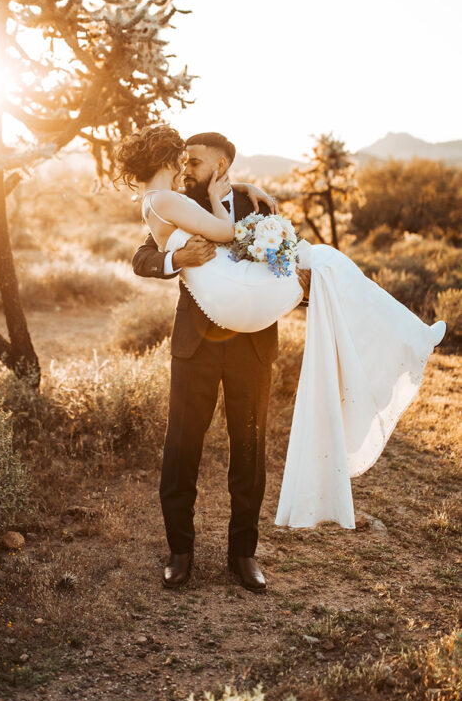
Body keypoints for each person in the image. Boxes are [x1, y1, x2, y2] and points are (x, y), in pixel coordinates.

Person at [119, 125, 445, 592]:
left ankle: (243, 554)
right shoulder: (173, 198)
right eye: (184, 161)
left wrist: (300, 284)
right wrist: (176, 260)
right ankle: (180, 552)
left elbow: (283, 254)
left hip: (252, 349)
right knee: (182, 447)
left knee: (249, 451)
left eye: (196, 161)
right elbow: (141, 255)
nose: (188, 168)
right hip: (196, 345)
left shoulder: (259, 203)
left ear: (222, 165)